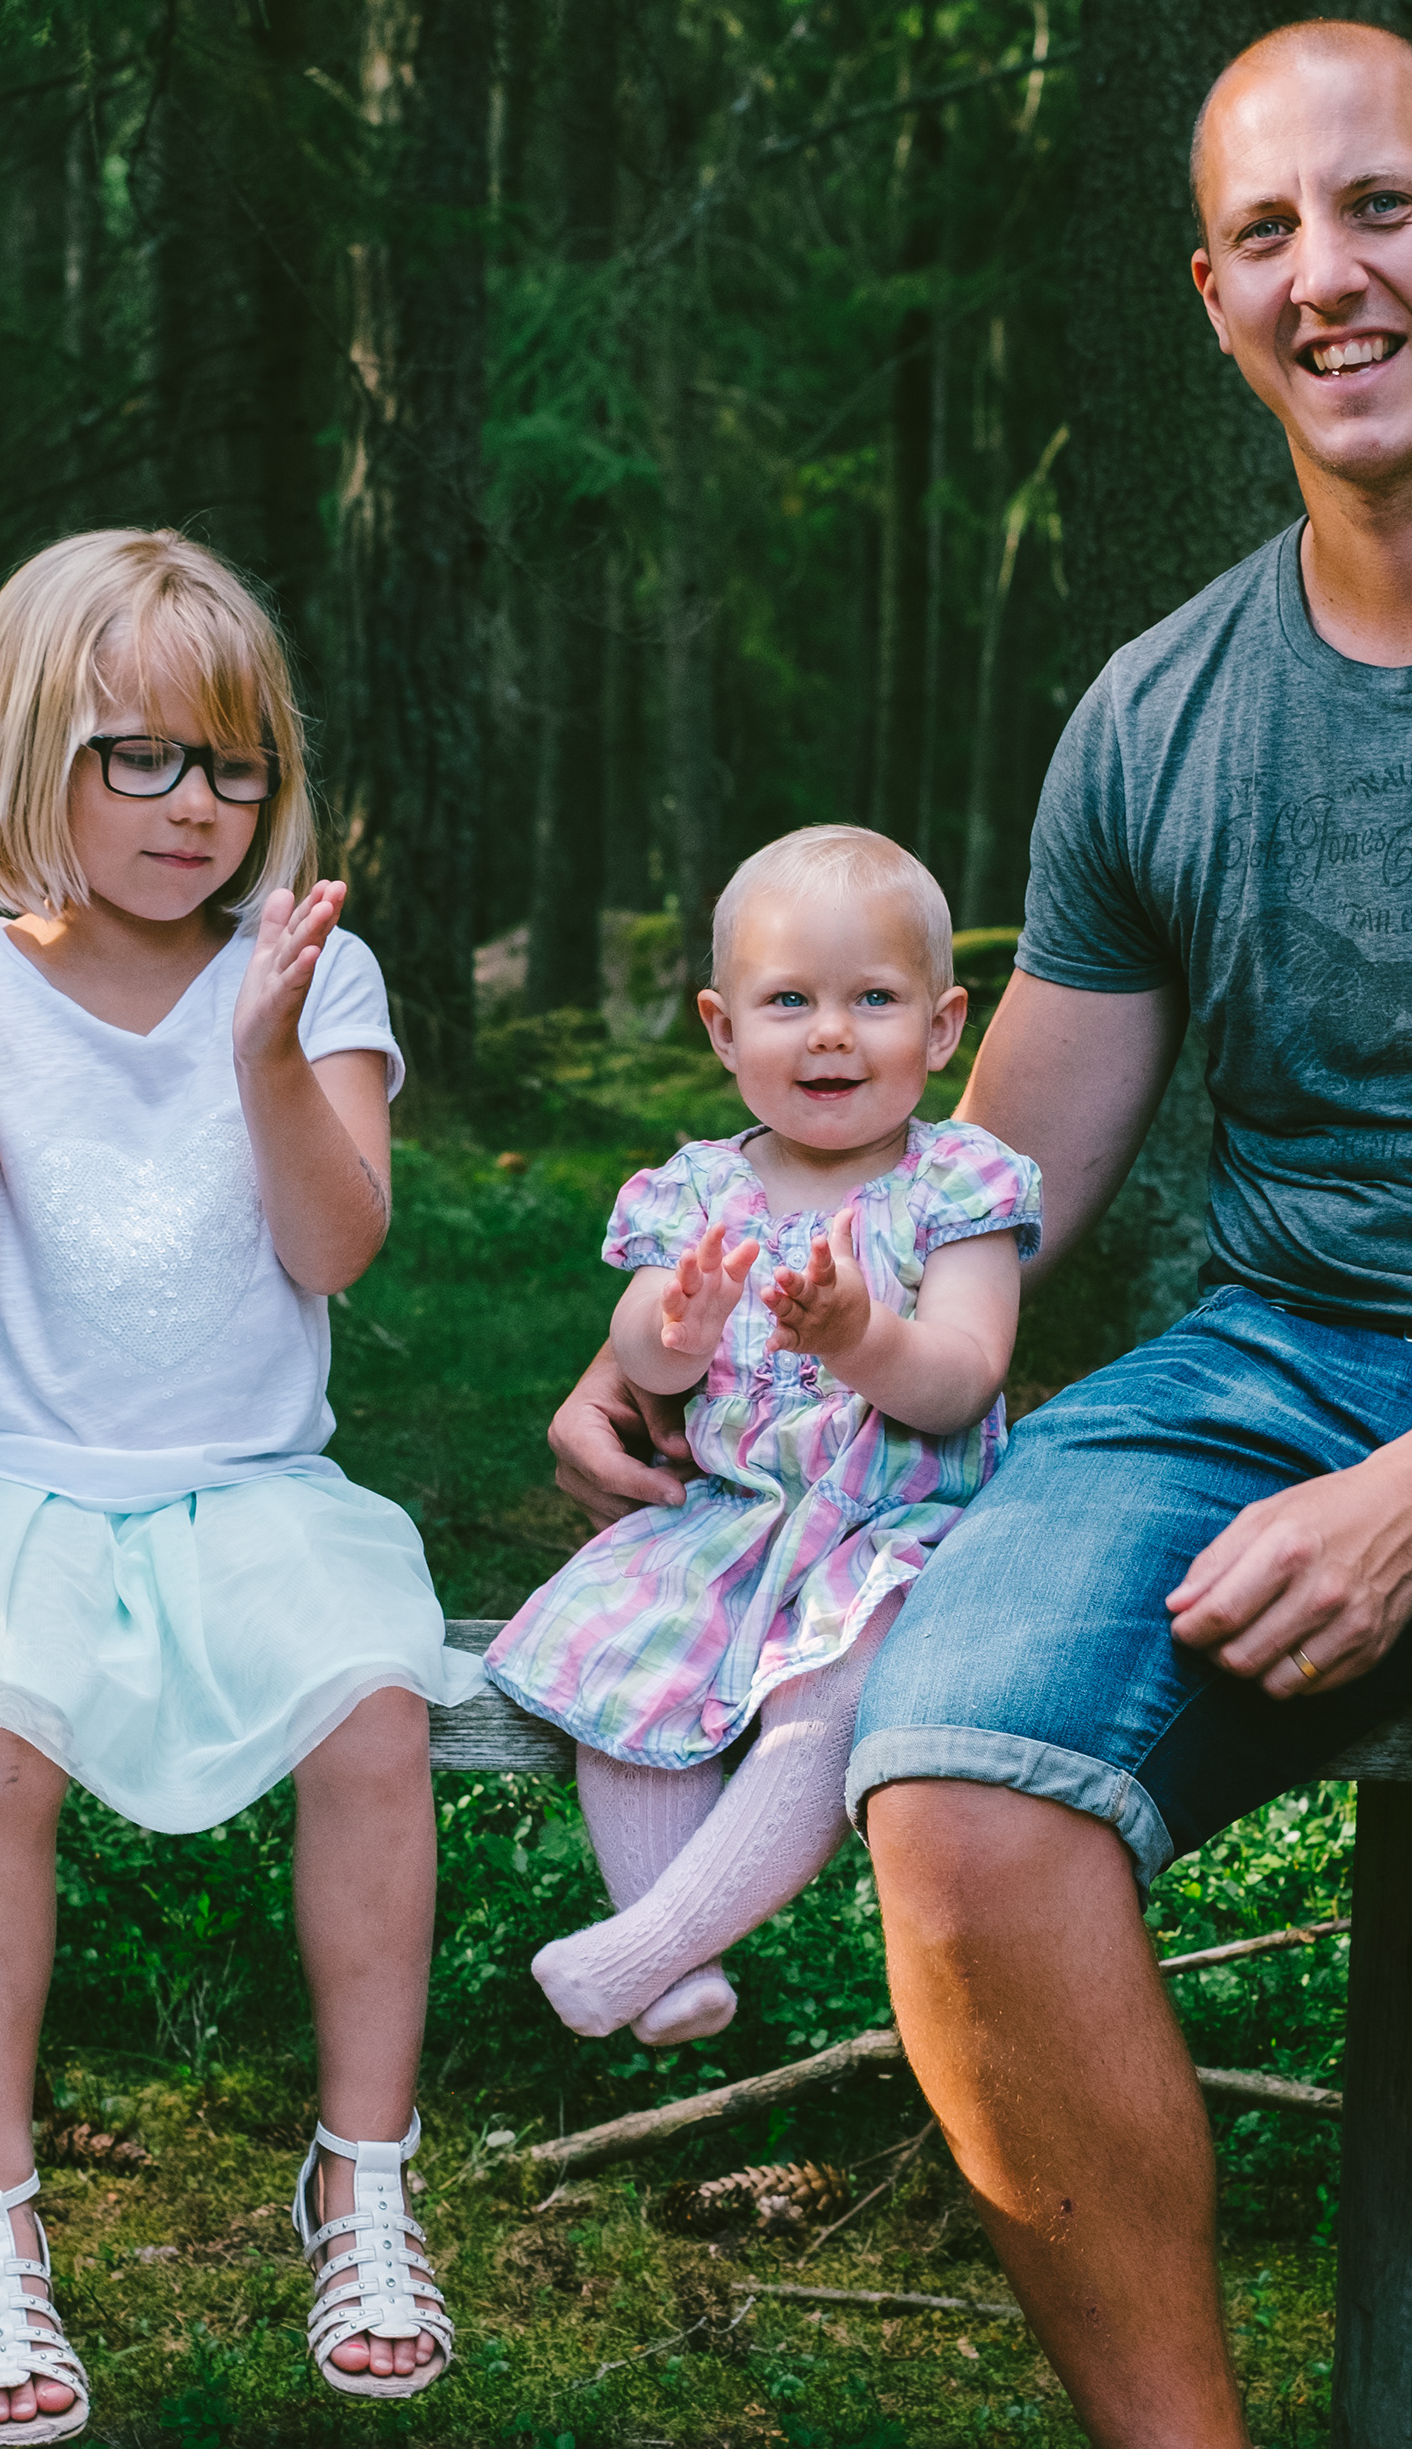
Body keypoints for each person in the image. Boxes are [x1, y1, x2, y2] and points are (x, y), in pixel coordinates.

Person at [552, 19, 1412, 2449]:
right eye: (1267, 233)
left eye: (1380, 207)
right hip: (1273, 1359)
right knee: (953, 1784)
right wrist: (694, 1355)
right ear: (1210, 295)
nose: (1329, 274)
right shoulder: (1155, 712)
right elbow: (968, 1194)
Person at [0, 528, 482, 2441]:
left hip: (251, 1487)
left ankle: (363, 2177)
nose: (194, 806)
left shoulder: (309, 972)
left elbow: (335, 1248)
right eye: (140, 757)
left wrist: (265, 1055)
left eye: (232, 764)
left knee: (377, 1714)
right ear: (34, 752)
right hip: (5, 1480)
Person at [488, 825, 1037, 2048]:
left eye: (873, 999)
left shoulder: (958, 1186)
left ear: (943, 1027)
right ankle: (675, 1967)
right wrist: (671, 1333)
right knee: (623, 1676)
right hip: (728, 1522)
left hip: (898, 1531)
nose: (831, 1032)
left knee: (834, 1686)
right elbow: (644, 1357)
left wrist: (861, 1338)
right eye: (789, 1000)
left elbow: (963, 1378)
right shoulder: (697, 1188)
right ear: (724, 1029)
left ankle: (643, 1950)